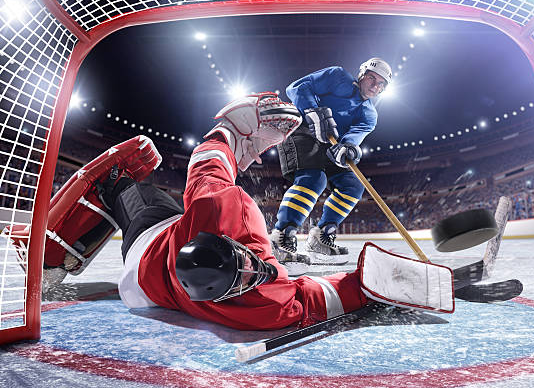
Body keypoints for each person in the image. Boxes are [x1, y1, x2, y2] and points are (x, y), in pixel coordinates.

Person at [4, 92, 453, 331]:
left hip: (147, 259)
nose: (258, 270)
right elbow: (330, 296)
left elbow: (208, 163)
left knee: (125, 188)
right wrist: (396, 283)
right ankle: (71, 239)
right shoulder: (268, 301)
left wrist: (231, 135)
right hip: (151, 276)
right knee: (150, 196)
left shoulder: (213, 211)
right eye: (252, 267)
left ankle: (62, 241)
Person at [271, 58, 392, 273]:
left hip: (330, 143)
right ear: (362, 74)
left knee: (353, 186)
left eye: (380, 83)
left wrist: (350, 148)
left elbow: (354, 138)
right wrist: (312, 111)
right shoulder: (337, 77)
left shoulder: (370, 115)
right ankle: (281, 237)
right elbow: (296, 87)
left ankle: (322, 236)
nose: (375, 85)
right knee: (314, 179)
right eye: (372, 78)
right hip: (302, 131)